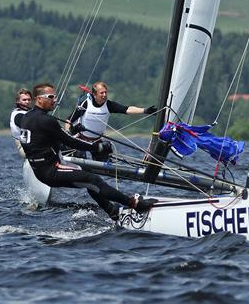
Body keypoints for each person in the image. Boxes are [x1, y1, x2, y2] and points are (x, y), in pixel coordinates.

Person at [15, 83, 157, 220]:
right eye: (51, 97)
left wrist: (71, 131)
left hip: (41, 170)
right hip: (51, 170)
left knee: (88, 179)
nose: (55, 100)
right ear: (39, 99)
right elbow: (70, 142)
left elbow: (43, 139)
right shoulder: (47, 120)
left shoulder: (27, 116)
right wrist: (98, 147)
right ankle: (134, 204)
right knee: (93, 179)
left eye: (55, 96)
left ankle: (112, 211)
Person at [66, 81, 157, 160]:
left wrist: (146, 111)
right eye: (101, 93)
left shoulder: (109, 105)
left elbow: (127, 109)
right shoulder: (85, 104)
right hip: (81, 140)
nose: (104, 95)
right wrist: (69, 132)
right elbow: (68, 121)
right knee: (78, 157)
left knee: (105, 156)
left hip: (97, 141)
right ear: (94, 94)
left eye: (106, 92)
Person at [9, 88, 32, 158]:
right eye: (24, 100)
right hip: (25, 148)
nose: (27, 102)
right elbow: (31, 126)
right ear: (18, 101)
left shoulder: (28, 113)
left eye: (29, 100)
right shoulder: (18, 114)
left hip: (34, 146)